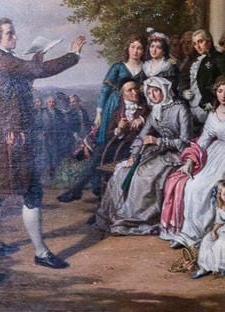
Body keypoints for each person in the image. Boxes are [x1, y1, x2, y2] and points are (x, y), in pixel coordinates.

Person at [0, 18, 87, 269]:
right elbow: (36, 71)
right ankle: (40, 253)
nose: (15, 38)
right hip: (14, 138)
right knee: (31, 192)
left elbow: (24, 76)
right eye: (10, 34)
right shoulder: (6, 61)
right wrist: (73, 55)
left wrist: (38, 56)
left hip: (0, 135)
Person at [94, 76, 190, 235]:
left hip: (175, 154)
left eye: (155, 91)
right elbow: (141, 136)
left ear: (164, 90)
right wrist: (133, 155)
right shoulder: (156, 111)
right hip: (155, 152)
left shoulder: (181, 109)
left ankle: (137, 219)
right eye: (149, 92)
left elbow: (185, 142)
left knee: (143, 176)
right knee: (123, 172)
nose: (152, 95)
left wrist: (159, 141)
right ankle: (119, 214)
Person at [58, 36, 147, 202]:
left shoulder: (146, 68)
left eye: (139, 48)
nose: (135, 51)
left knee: (113, 151)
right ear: (127, 49)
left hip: (134, 110)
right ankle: (92, 187)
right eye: (133, 47)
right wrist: (99, 112)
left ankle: (98, 189)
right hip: (113, 107)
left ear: (143, 51)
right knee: (104, 144)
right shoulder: (118, 66)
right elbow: (105, 89)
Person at [164, 78, 225, 253]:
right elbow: (204, 140)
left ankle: (206, 235)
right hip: (215, 156)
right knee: (192, 186)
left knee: (208, 189)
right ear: (216, 93)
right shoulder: (213, 115)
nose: (223, 95)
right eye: (220, 91)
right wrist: (190, 161)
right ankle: (189, 234)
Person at [183, 29, 225, 131]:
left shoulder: (219, 58)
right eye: (195, 43)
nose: (197, 46)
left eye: (200, 42)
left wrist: (211, 106)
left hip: (214, 105)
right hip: (200, 106)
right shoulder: (203, 60)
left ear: (209, 41)